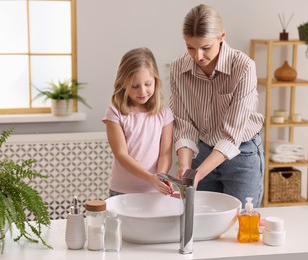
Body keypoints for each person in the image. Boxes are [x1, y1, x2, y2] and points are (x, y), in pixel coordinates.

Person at [169, 4, 265, 207]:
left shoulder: (244, 67)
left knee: (240, 223)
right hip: (202, 151)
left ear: (222, 36)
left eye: (205, 47)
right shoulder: (178, 69)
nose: (198, 56)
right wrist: (186, 165)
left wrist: (198, 173)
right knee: (203, 223)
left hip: (242, 155)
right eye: (190, 47)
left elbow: (231, 135)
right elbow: (183, 123)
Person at [103, 47, 174, 197]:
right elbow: (122, 155)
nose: (142, 91)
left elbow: (165, 153)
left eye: (148, 84)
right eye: (135, 86)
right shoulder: (115, 112)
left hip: (153, 192)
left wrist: (160, 176)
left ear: (156, 80)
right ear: (123, 83)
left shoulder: (164, 113)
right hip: (122, 191)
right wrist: (150, 178)